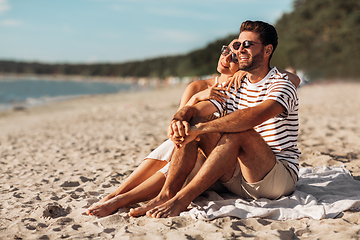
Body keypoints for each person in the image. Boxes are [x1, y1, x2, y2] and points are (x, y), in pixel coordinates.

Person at [129, 20, 301, 218]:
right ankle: (166, 194)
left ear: (267, 50)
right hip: (237, 177)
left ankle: (181, 200)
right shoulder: (238, 83)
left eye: (248, 44)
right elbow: (199, 109)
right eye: (239, 44)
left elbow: (256, 115)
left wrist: (201, 129)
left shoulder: (281, 83)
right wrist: (180, 119)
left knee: (239, 132)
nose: (240, 50)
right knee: (190, 125)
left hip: (276, 177)